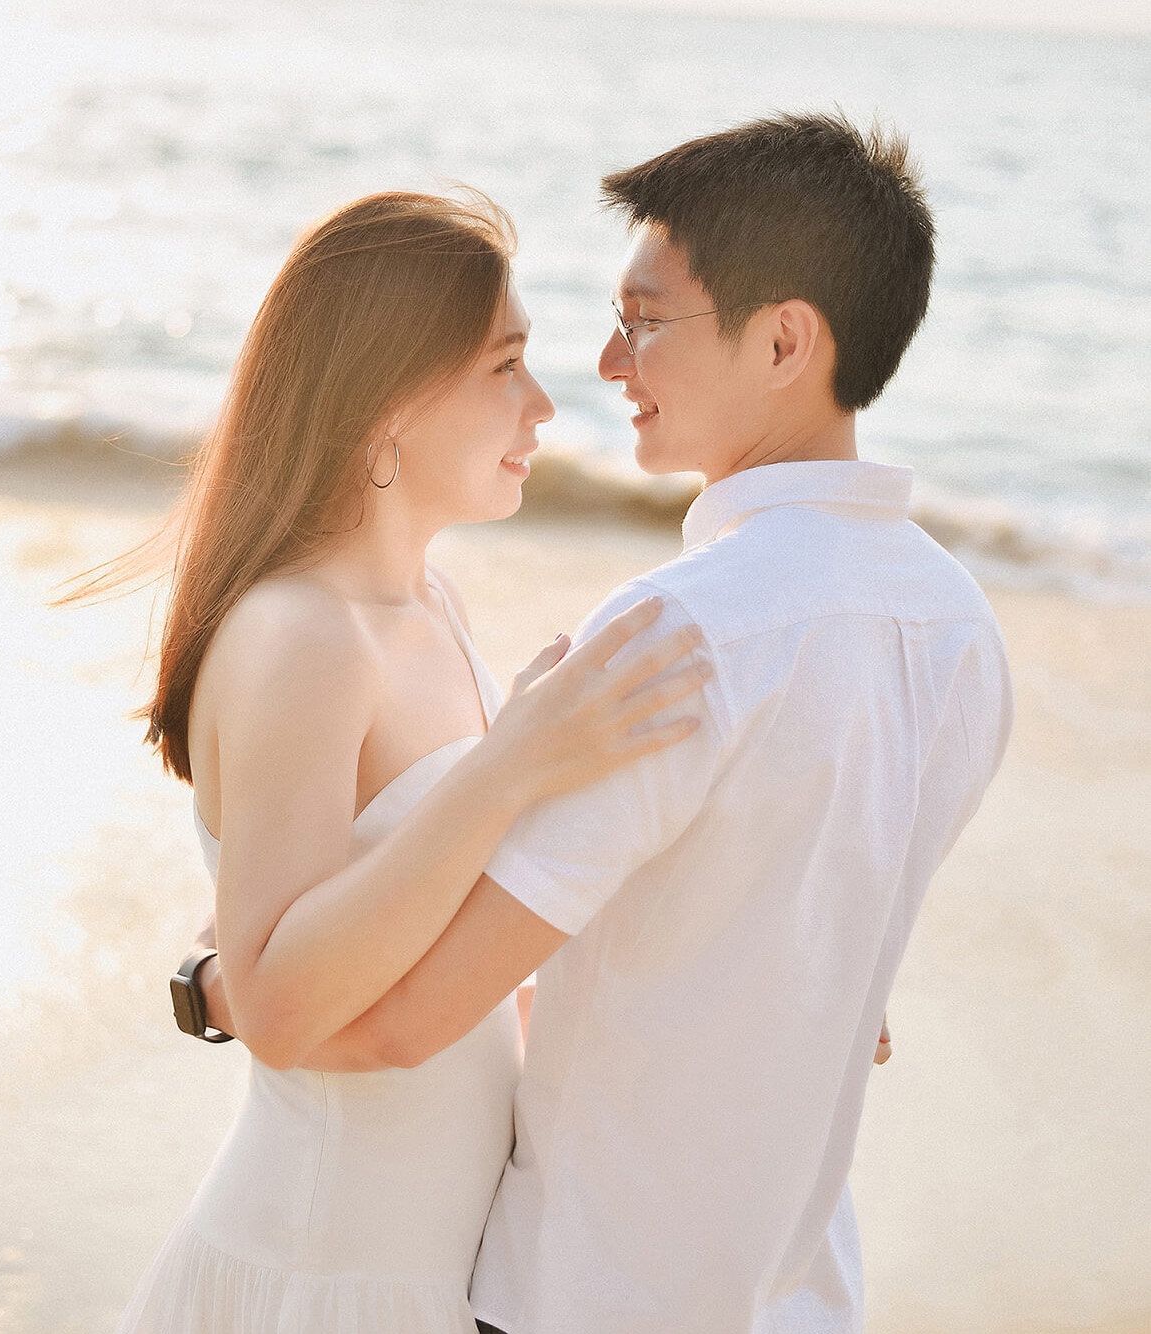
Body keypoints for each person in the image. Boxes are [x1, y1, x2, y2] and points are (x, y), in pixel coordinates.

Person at [188, 113, 1013, 1333]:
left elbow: (402, 1018)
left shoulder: (675, 639)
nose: (603, 365)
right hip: (792, 1290)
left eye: (644, 320)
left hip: (582, 1287)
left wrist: (212, 985)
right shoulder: (958, 630)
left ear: (784, 339)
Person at [109, 190, 710, 1334]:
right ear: (387, 399)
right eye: (504, 364)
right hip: (317, 1278)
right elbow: (279, 1003)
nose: (542, 403)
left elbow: (433, 937)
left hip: (429, 1279)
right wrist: (516, 760)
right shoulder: (302, 637)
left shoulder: (427, 602)